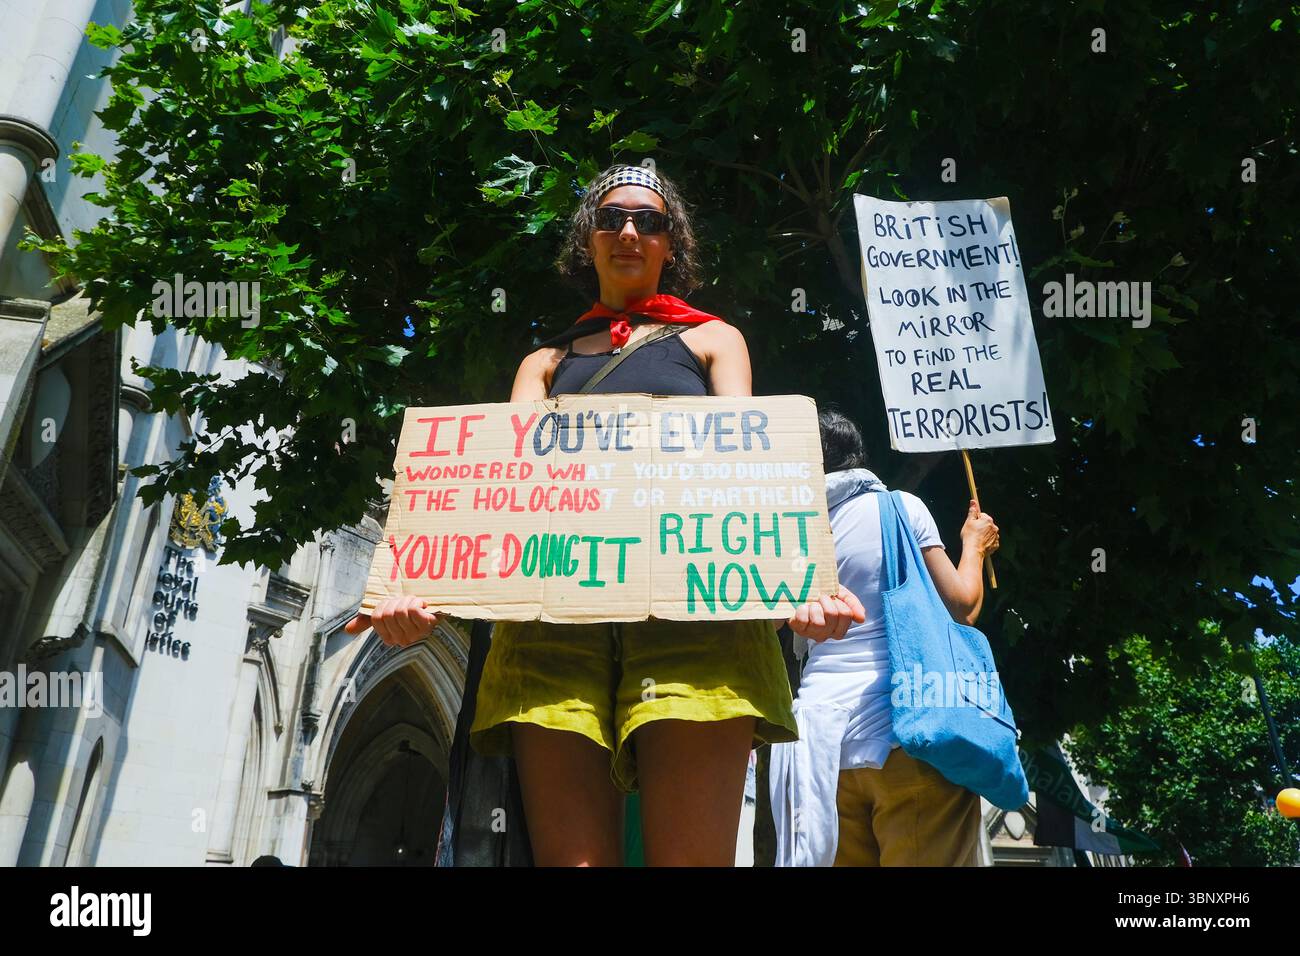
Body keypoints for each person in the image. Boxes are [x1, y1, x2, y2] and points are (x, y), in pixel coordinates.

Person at [345, 163, 863, 866]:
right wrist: (420, 597)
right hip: (554, 636)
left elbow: (752, 474)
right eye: (611, 217)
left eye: (649, 221)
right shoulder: (543, 365)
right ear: (585, 241)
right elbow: (500, 498)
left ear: (671, 245)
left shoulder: (717, 341)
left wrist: (797, 588)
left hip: (697, 630)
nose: (628, 231)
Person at [769, 407, 1000, 867]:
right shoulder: (898, 507)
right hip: (909, 737)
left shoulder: (782, 531)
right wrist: (975, 545)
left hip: (823, 756)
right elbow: (963, 606)